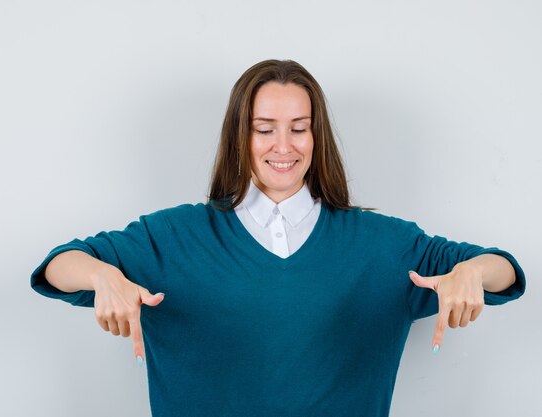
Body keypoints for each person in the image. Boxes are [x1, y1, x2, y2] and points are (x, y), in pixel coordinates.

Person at [30, 59, 526, 417]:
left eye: (299, 128)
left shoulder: (383, 244)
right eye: (264, 128)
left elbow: (501, 269)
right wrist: (103, 275)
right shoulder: (173, 236)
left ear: (317, 137)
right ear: (239, 137)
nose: (282, 146)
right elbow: (58, 265)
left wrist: (469, 273)